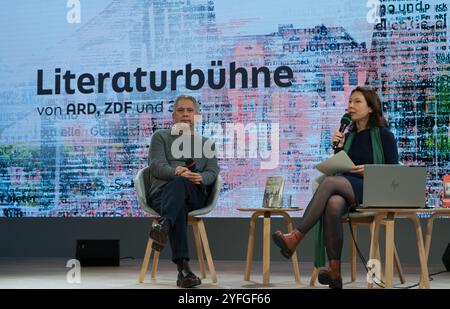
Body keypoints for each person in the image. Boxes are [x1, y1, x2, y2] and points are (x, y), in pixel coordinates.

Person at [272, 86, 398, 289]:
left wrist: (371, 171)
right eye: (350, 101)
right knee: (332, 204)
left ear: (371, 108)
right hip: (349, 189)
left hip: (374, 189)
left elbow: (394, 172)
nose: (351, 106)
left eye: (357, 101)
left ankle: (296, 236)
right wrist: (337, 148)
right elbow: (344, 167)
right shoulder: (349, 135)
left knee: (329, 182)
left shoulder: (384, 135)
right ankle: (335, 272)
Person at [147, 94, 220, 288]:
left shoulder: (207, 144)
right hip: (162, 194)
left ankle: (164, 224)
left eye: (190, 110)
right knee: (177, 193)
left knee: (181, 185)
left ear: (197, 115)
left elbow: (213, 171)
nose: (185, 114)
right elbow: (155, 166)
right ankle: (184, 271)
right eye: (180, 110)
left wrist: (201, 177)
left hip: (194, 194)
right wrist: (176, 171)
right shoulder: (160, 137)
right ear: (173, 116)